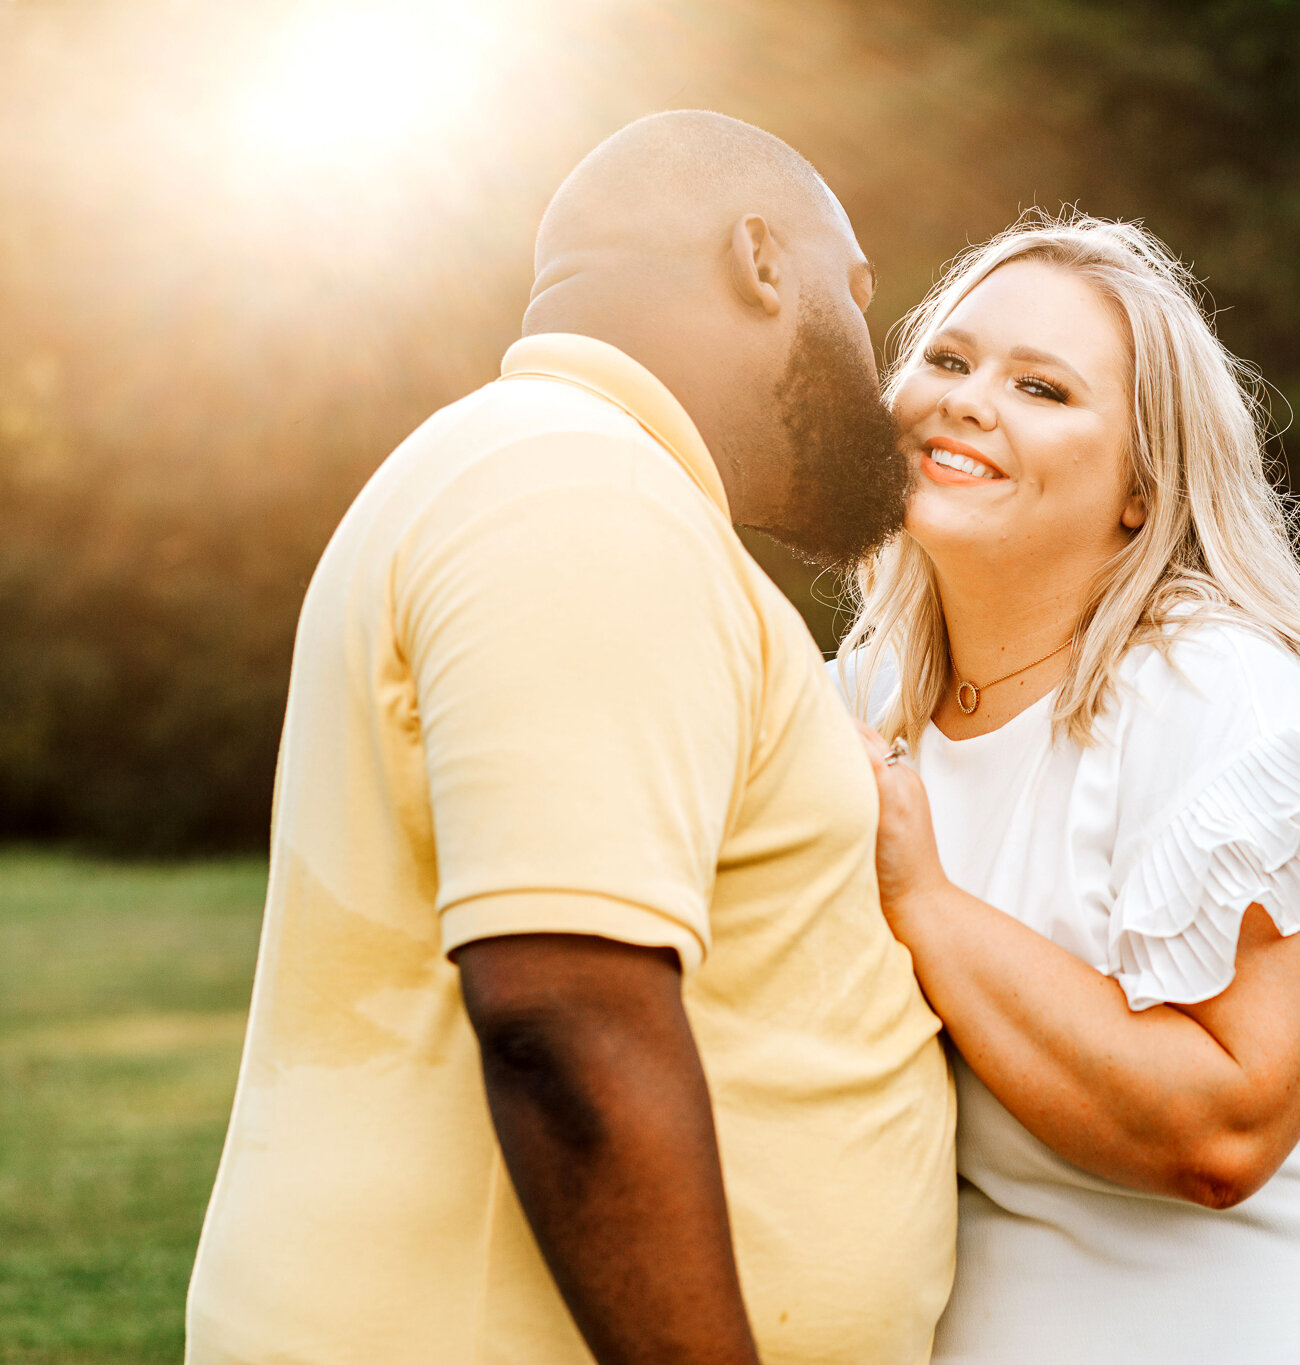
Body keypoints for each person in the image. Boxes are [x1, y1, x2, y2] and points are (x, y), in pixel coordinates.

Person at [185, 112, 956, 1365]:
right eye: (855, 293)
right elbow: (566, 1019)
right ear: (761, 261)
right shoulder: (582, 497)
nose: (880, 374)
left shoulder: (541, 476)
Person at [837, 212, 1300, 1365]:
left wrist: (927, 902)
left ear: (1140, 490)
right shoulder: (866, 689)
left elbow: (1228, 1129)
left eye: (1041, 388)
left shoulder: (1225, 695)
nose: (964, 398)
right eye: (947, 360)